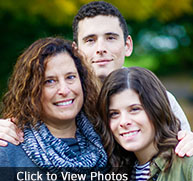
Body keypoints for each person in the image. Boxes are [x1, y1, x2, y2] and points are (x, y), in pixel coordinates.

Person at [0, 1, 193, 156]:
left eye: (110, 37)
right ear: (76, 50)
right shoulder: (65, 100)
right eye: (90, 40)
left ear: (127, 45)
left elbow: (183, 150)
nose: (101, 48)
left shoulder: (159, 99)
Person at [0, 37, 109, 181]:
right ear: (32, 90)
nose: (64, 90)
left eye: (70, 77)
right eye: (49, 81)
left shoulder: (108, 142)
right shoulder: (9, 150)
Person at [96, 67, 193, 181]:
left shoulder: (186, 161)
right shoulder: (121, 174)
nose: (124, 122)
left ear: (156, 109)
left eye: (135, 109)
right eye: (114, 114)